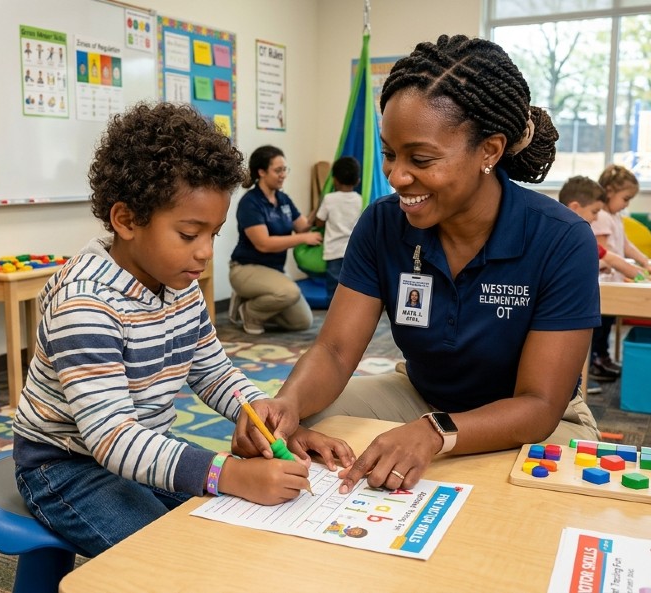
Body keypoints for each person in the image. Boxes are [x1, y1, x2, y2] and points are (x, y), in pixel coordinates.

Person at [233, 34, 602, 495]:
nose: (397, 176)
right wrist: (286, 405)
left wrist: (434, 433)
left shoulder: (561, 238)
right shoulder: (383, 225)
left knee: (520, 498)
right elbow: (333, 351)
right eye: (389, 153)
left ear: (489, 150)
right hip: (420, 396)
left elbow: (539, 404)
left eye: (421, 159)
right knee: (305, 423)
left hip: (531, 420)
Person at [12, 102, 353, 558]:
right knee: (172, 554)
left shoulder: (179, 284)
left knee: (229, 527)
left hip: (141, 443)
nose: (205, 253)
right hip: (66, 465)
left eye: (213, 234)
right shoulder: (86, 303)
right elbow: (112, 438)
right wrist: (229, 473)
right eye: (190, 234)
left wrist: (260, 415)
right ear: (127, 220)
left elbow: (212, 372)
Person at [228, 145, 322, 335]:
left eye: (284, 169)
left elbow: (302, 226)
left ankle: (255, 302)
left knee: (302, 322)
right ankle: (248, 312)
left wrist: (321, 206)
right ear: (261, 172)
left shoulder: (283, 199)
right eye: (278, 170)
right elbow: (263, 244)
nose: (283, 175)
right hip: (246, 268)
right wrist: (303, 238)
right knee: (290, 292)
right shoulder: (250, 203)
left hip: (274, 271)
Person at [588, 164, 651, 382]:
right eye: (625, 198)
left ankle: (603, 356)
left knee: (607, 323)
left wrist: (645, 262)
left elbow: (626, 244)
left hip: (614, 280)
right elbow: (602, 252)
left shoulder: (615, 216)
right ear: (609, 191)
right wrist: (633, 271)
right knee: (599, 326)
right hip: (603, 280)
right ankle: (596, 361)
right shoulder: (601, 216)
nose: (626, 204)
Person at [560, 175, 645, 281]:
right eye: (594, 212)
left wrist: (642, 278)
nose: (596, 219)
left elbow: (611, 259)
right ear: (574, 208)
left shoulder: (582, 238)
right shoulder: (560, 237)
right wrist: (599, 265)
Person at [312, 156, 363, 303]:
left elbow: (319, 222)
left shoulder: (329, 199)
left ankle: (332, 318)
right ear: (357, 181)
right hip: (353, 252)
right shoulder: (360, 199)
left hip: (333, 252)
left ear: (334, 180)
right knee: (352, 287)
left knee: (334, 291)